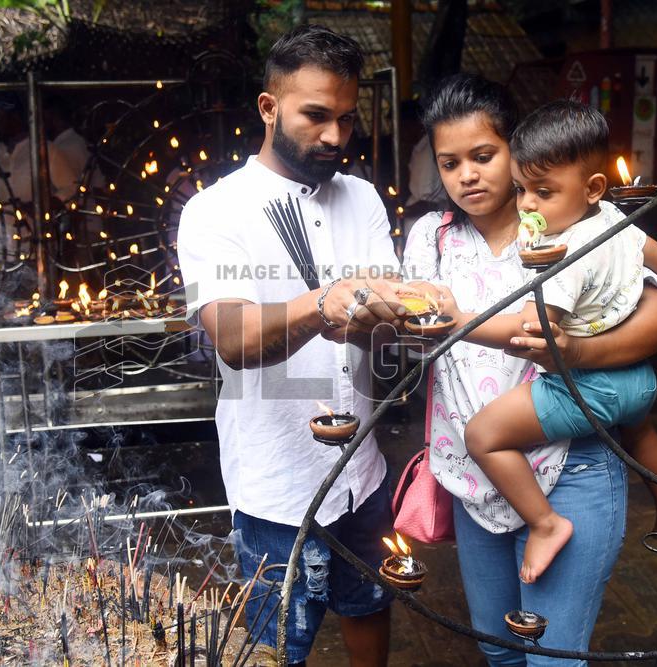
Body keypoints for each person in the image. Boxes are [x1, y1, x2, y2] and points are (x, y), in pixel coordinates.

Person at [402, 74, 657, 664]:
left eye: (484, 156)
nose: (468, 176)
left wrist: (577, 352)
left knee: (552, 657)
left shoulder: (578, 231)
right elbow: (413, 335)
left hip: (570, 462)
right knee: (501, 649)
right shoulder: (431, 238)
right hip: (474, 471)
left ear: (517, 151)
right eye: (450, 163)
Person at [177, 24, 406, 666]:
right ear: (269, 107)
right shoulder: (217, 211)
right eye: (315, 116)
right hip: (277, 486)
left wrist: (410, 312)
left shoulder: (360, 198)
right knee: (278, 649)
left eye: (346, 118)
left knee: (370, 607)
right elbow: (234, 339)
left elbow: (388, 315)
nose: (335, 135)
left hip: (362, 474)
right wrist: (326, 301)